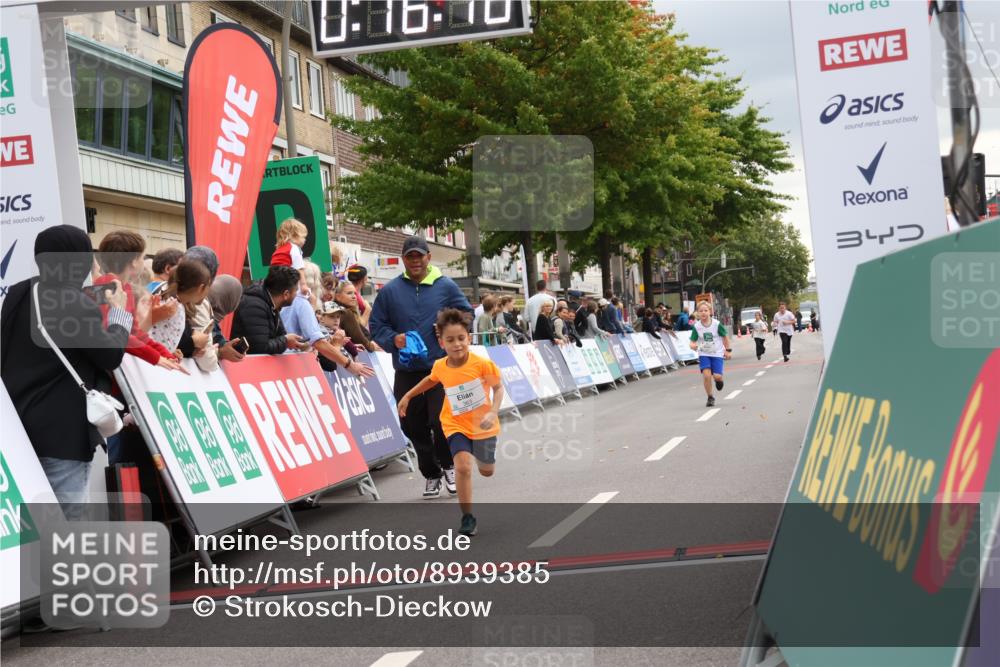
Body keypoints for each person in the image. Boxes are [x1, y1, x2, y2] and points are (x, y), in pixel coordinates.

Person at [1, 225, 134, 519]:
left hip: (18, 429)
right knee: (68, 521)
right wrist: (119, 314)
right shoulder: (75, 303)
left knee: (27, 524)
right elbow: (110, 355)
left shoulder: (19, 293)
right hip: (62, 434)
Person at [369, 236, 473, 498]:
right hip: (407, 371)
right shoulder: (390, 291)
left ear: (428, 257)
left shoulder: (445, 286)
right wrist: (393, 339)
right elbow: (377, 326)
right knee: (411, 425)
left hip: (440, 368)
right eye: (410, 257)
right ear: (404, 260)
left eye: (419, 256)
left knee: (440, 420)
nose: (415, 261)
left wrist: (449, 328)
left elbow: (466, 314)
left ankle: (448, 465)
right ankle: (431, 473)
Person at [397, 309, 504, 536]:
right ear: (441, 342)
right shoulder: (440, 365)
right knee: (463, 468)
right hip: (455, 424)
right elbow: (431, 380)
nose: (457, 344)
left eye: (461, 338)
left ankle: (482, 456)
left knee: (487, 471)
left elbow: (498, 388)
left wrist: (493, 412)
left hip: (483, 425)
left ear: (469, 338)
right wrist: (408, 396)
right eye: (450, 340)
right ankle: (467, 517)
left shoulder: (482, 364)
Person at [93, 231, 185, 373]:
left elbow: (136, 333)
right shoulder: (105, 287)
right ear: (134, 261)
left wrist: (166, 355)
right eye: (142, 257)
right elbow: (118, 333)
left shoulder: (125, 288)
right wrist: (156, 357)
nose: (143, 261)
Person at [231, 265, 307, 355]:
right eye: (296, 291)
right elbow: (261, 348)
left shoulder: (271, 304)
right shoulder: (255, 306)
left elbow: (280, 336)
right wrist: (286, 341)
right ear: (286, 294)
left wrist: (290, 341)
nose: (296, 294)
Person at [147, 259, 212, 356]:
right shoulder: (174, 307)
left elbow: (164, 337)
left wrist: (173, 351)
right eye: (208, 287)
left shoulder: (171, 301)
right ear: (201, 288)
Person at [689, 300, 732, 407]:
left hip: (717, 353)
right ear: (698, 313)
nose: (703, 313)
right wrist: (692, 345)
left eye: (705, 310)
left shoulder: (716, 324)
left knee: (717, 376)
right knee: (707, 375)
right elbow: (692, 341)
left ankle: (719, 380)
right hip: (704, 353)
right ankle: (710, 397)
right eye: (701, 311)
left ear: (710, 312)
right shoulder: (697, 326)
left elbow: (725, 337)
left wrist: (727, 350)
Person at [333, 279, 382, 352]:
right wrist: (372, 346)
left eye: (355, 293)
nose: (354, 296)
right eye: (349, 293)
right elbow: (359, 339)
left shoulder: (346, 311)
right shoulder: (345, 313)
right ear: (338, 296)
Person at [269, 218, 308, 291]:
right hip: (290, 284)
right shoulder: (294, 248)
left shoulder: (278, 250)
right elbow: (299, 269)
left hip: (277, 284)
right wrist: (304, 285)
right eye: (303, 237)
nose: (305, 240)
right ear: (294, 236)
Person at [346, 264, 372, 330]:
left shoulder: (352, 293)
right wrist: (368, 309)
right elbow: (360, 325)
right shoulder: (355, 297)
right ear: (364, 279)